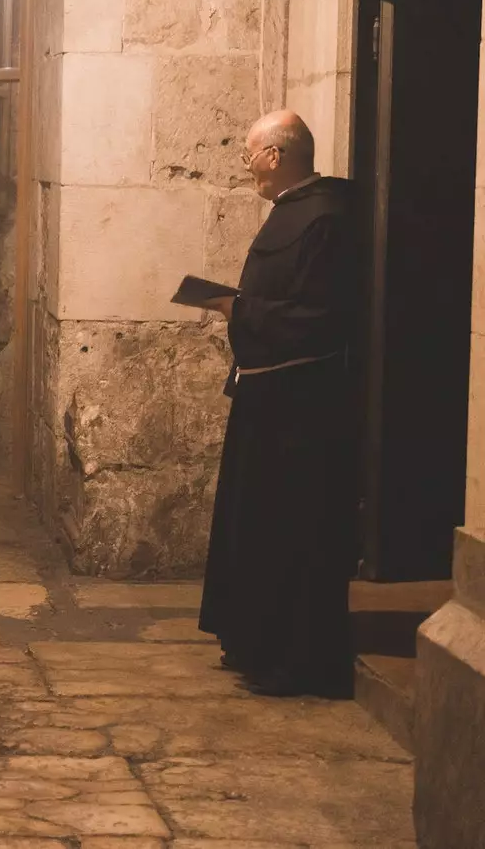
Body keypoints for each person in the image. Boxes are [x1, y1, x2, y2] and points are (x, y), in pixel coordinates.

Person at [195, 109, 357, 698]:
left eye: (248, 154)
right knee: (253, 524)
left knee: (291, 531)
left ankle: (291, 659)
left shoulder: (328, 218)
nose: (245, 166)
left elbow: (320, 317)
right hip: (265, 397)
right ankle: (251, 640)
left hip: (302, 408)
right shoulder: (292, 211)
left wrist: (237, 309)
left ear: (273, 155)